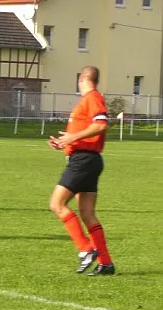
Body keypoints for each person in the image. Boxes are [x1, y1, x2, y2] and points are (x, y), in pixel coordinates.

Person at [48, 65, 115, 276]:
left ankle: (86, 250)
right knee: (87, 213)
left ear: (82, 78)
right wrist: (64, 142)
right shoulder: (86, 100)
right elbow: (83, 131)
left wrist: (73, 139)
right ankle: (106, 263)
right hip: (87, 159)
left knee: (56, 204)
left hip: (83, 161)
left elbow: (101, 124)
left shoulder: (92, 97)